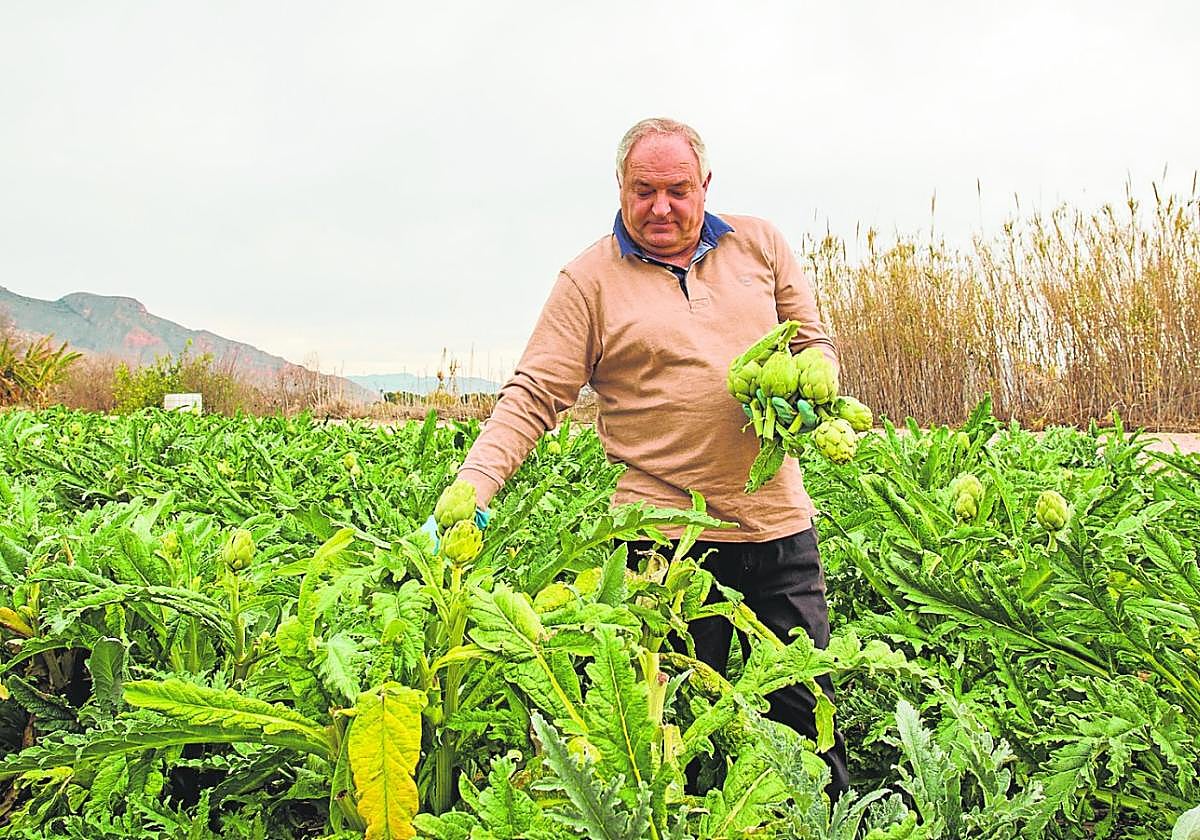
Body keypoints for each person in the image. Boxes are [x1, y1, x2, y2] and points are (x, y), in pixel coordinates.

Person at [447, 116, 848, 796]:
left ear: (705, 187)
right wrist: (474, 486)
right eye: (644, 190)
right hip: (662, 546)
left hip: (778, 529)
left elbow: (814, 343)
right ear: (620, 189)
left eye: (677, 190)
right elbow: (534, 394)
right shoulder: (587, 282)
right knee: (657, 743)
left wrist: (813, 387)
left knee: (807, 724)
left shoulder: (762, 245)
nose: (661, 206)